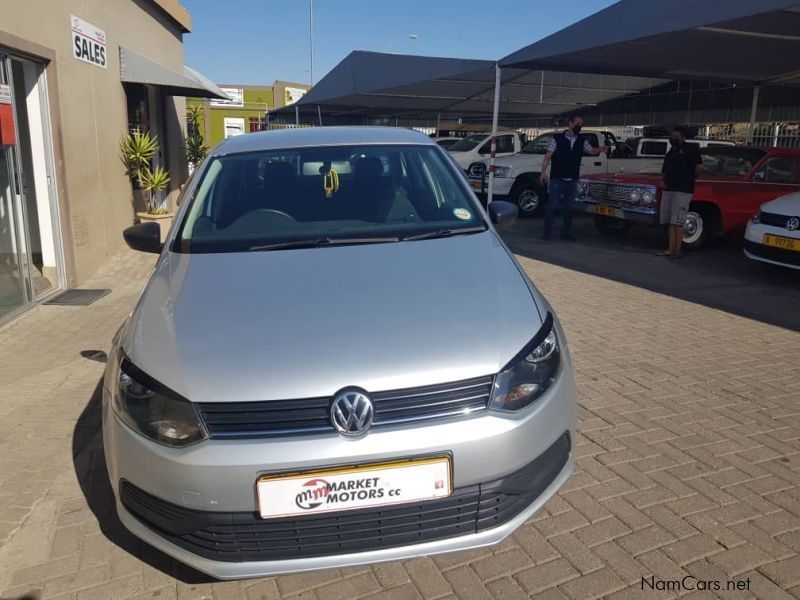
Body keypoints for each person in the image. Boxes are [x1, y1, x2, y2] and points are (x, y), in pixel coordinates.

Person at [540, 116, 610, 241]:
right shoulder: (557, 139)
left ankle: (565, 233)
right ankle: (547, 233)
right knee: (552, 206)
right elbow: (548, 156)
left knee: (569, 207)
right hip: (557, 178)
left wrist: (601, 149)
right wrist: (543, 172)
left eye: (581, 124)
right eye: (577, 124)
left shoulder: (581, 140)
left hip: (572, 179)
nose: (579, 126)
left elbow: (591, 151)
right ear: (570, 124)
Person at [658, 126, 703, 259]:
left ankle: (677, 251)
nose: (673, 139)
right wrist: (663, 180)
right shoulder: (671, 151)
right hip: (669, 189)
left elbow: (699, 168)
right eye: (672, 137)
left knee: (678, 222)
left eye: (676, 137)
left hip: (682, 190)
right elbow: (665, 170)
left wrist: (689, 178)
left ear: (683, 137)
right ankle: (669, 249)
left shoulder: (691, 150)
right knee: (670, 222)